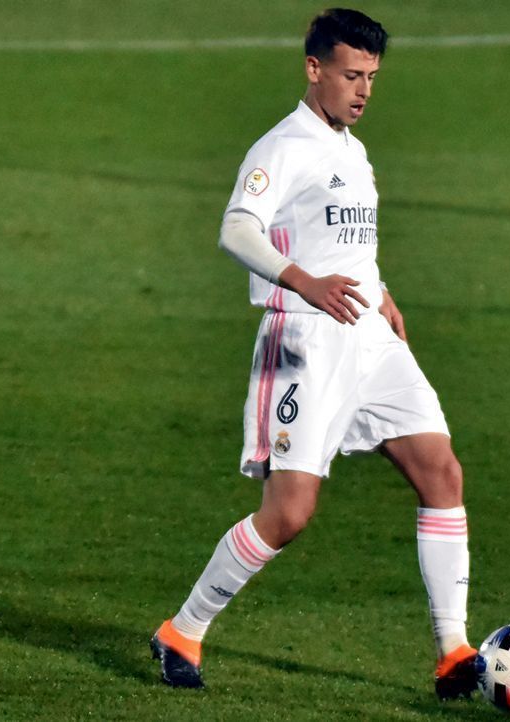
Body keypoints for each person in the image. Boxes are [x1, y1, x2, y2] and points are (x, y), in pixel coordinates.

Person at [150, 8, 476, 699]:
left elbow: (344, 239)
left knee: (441, 471)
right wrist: (305, 282)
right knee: (289, 513)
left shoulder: (352, 149)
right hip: (303, 339)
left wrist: (379, 290)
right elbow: (237, 230)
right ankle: (182, 630)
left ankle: (454, 651)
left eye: (372, 77)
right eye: (352, 75)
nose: (363, 91)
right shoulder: (283, 147)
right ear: (314, 68)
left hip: (370, 338)